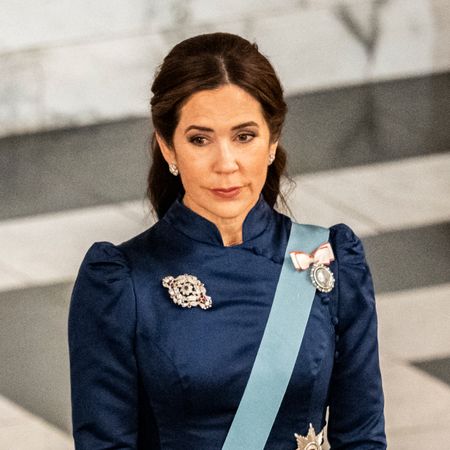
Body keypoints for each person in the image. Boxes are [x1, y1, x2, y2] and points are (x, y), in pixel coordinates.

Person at [68, 32, 387, 449]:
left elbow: (362, 437)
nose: (226, 164)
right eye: (200, 139)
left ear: (272, 141)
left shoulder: (329, 261)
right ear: (168, 147)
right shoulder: (121, 283)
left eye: (244, 136)